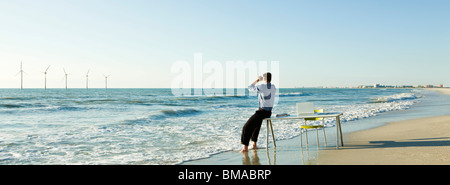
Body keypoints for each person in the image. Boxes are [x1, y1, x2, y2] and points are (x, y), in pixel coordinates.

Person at [240, 72, 276, 153]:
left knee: (246, 127)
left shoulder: (262, 86)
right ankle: (254, 145)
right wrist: (263, 80)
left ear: (264, 79)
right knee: (256, 126)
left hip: (262, 111)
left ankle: (245, 148)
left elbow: (250, 87)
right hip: (268, 112)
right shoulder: (273, 87)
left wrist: (257, 80)